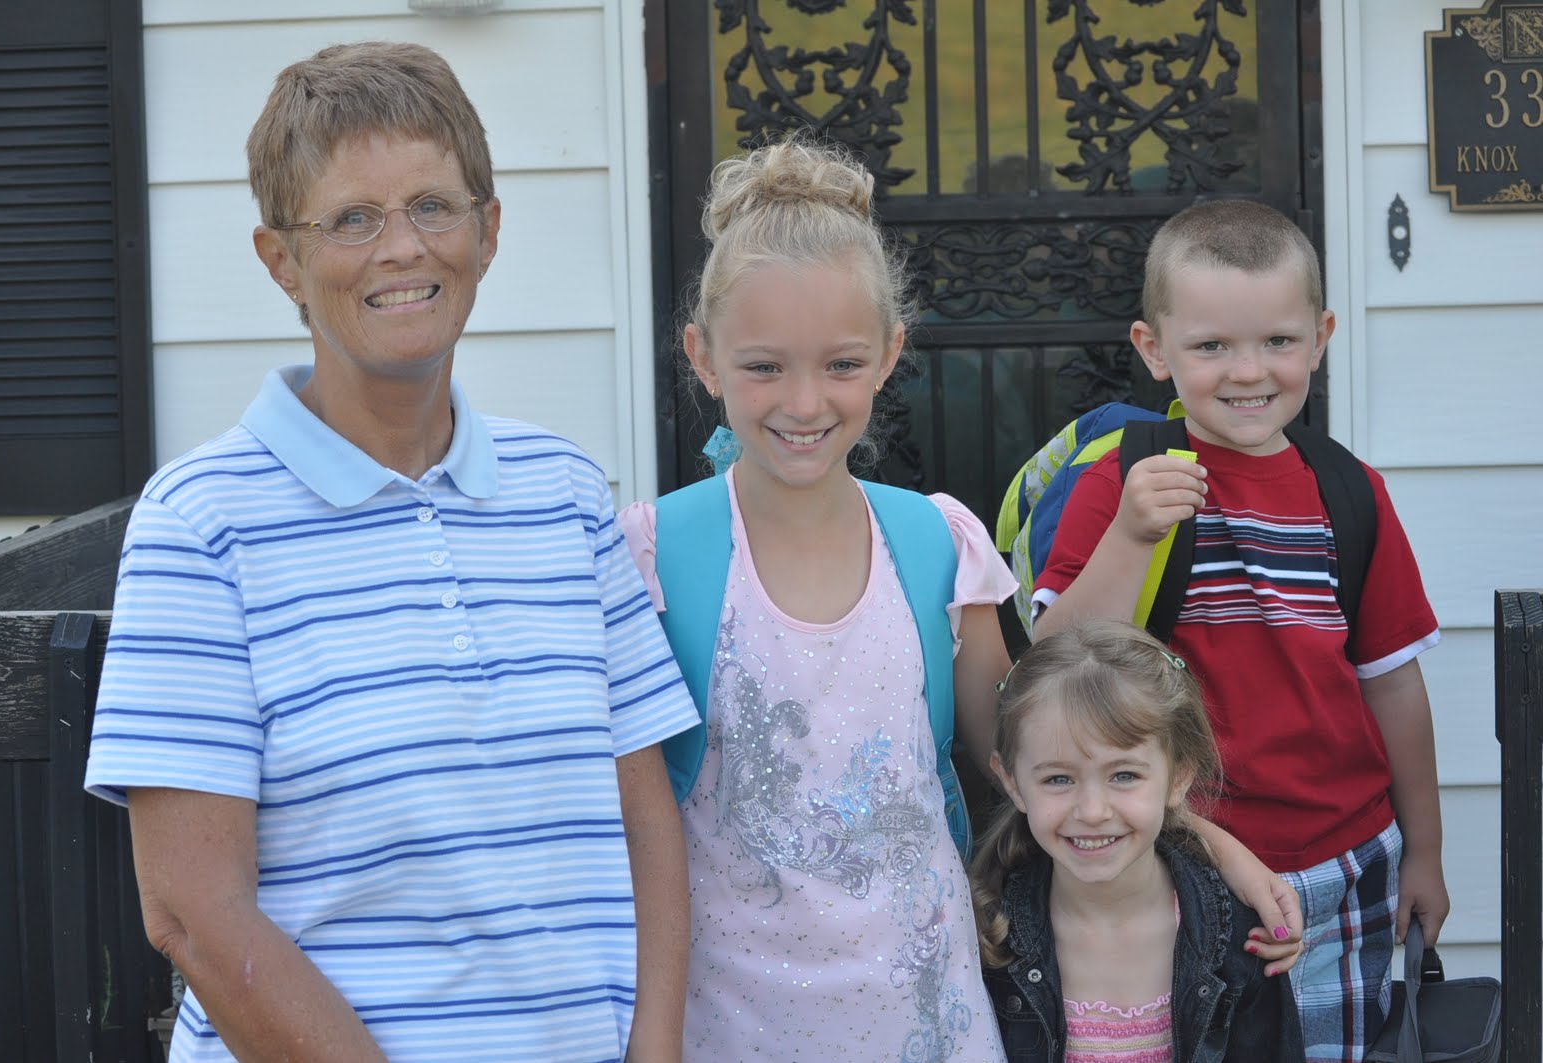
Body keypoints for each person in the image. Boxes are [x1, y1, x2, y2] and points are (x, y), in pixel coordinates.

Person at [617, 136, 1302, 1062]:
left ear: (891, 352)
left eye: (842, 364)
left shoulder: (938, 544)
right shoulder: (653, 556)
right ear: (703, 358)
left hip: (929, 1016)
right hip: (727, 1022)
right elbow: (627, 819)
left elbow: (1035, 753)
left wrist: (1222, 852)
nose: (805, 402)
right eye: (764, 367)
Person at [83, 42, 697, 1063]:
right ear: (280, 260)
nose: (402, 247)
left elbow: (645, 813)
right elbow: (192, 909)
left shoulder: (567, 495)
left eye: (433, 206)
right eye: (352, 219)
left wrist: (656, 1048)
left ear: (487, 231)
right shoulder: (199, 525)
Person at [1032, 199, 1447, 1061]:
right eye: (1212, 346)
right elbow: (1055, 665)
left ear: (1321, 338)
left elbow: (1393, 683)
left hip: (1346, 859)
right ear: (1155, 349)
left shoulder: (1351, 493)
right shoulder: (1122, 481)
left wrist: (1426, 851)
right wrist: (1130, 535)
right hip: (1176, 856)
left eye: (1278, 341)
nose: (1248, 371)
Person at [971, 619, 1305, 1061]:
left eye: (1124, 775)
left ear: (1179, 776)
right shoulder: (987, 938)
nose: (1092, 811)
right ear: (1012, 783)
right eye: (1058, 779)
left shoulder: (1239, 939)